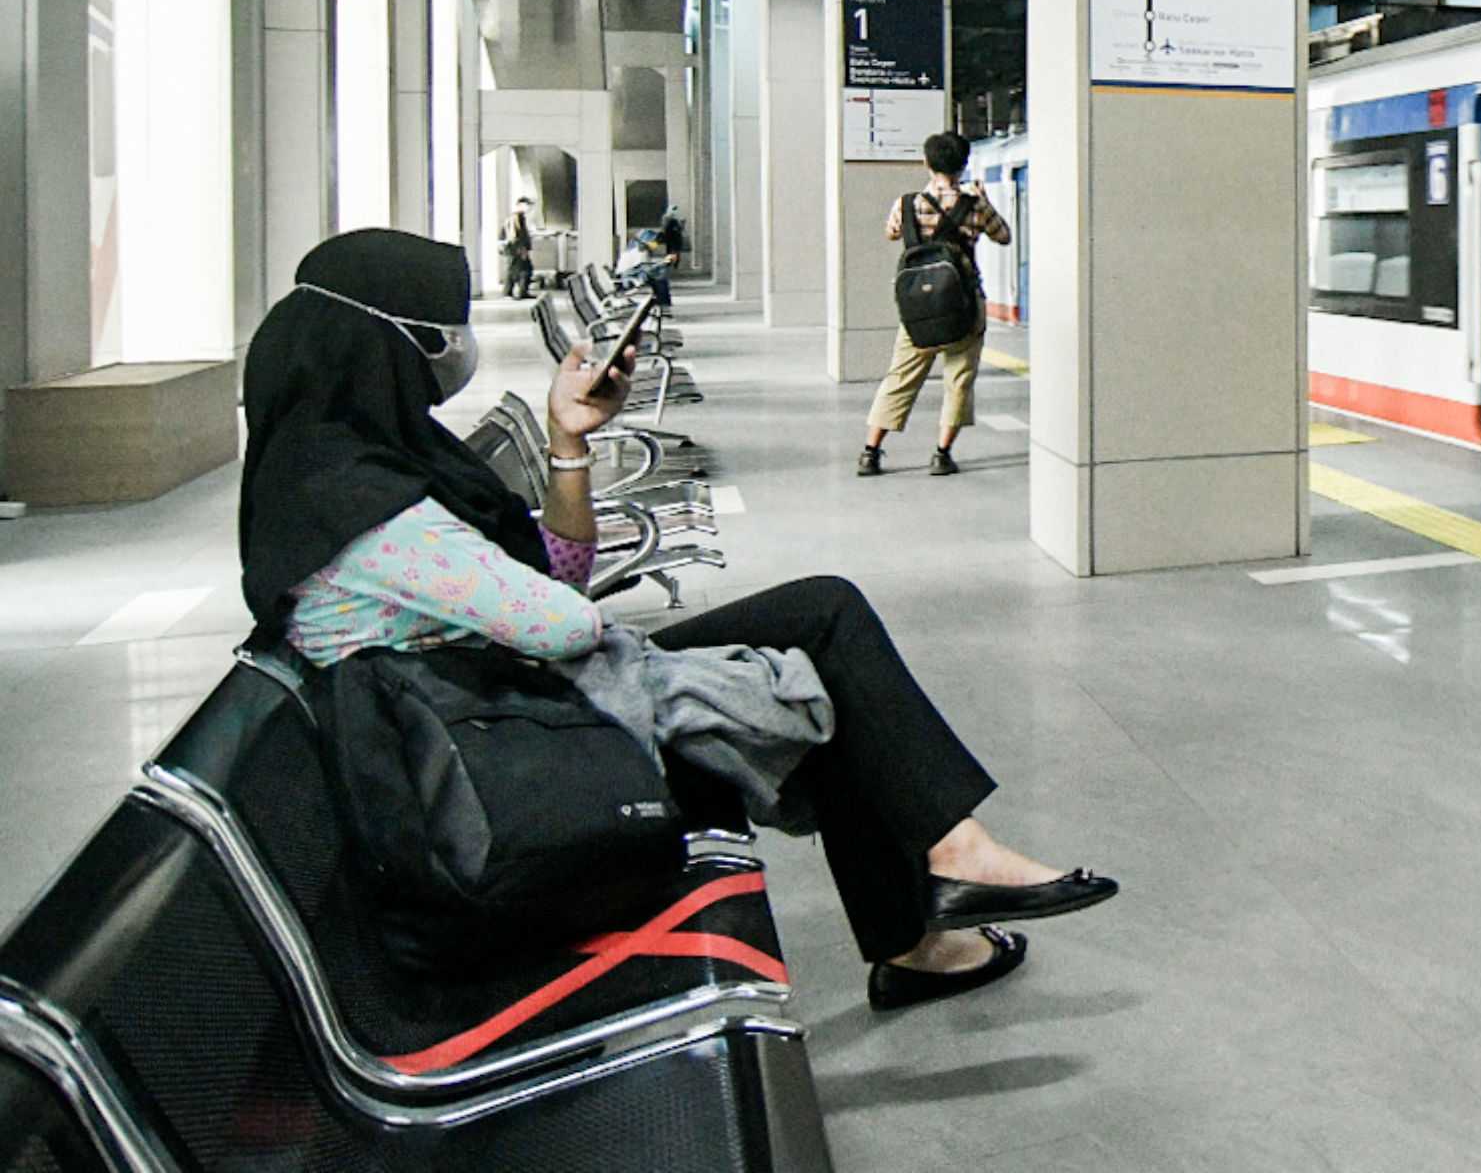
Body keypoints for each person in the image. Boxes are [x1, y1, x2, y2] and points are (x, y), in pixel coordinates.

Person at [238, 228, 1117, 1013]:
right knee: (825, 655)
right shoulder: (359, 509)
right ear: (380, 349)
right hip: (512, 769)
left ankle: (943, 879)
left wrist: (569, 440)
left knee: (824, 618)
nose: (456, 352)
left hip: (508, 712)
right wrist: (545, 595)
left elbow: (558, 578)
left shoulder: (365, 459)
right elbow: (563, 623)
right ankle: (929, 912)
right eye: (439, 336)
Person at [862, 133, 1012, 479]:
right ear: (963, 165)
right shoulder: (975, 206)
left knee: (900, 377)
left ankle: (870, 452)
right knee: (959, 379)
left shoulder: (906, 204)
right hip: (965, 306)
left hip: (918, 309)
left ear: (927, 163)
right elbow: (1003, 236)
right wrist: (982, 201)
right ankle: (941, 455)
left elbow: (891, 233)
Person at [500, 201, 536, 301]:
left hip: (513, 249)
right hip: (518, 249)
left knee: (512, 270)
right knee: (525, 270)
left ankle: (508, 291)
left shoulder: (510, 218)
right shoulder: (518, 218)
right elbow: (519, 235)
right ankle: (522, 291)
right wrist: (523, 250)